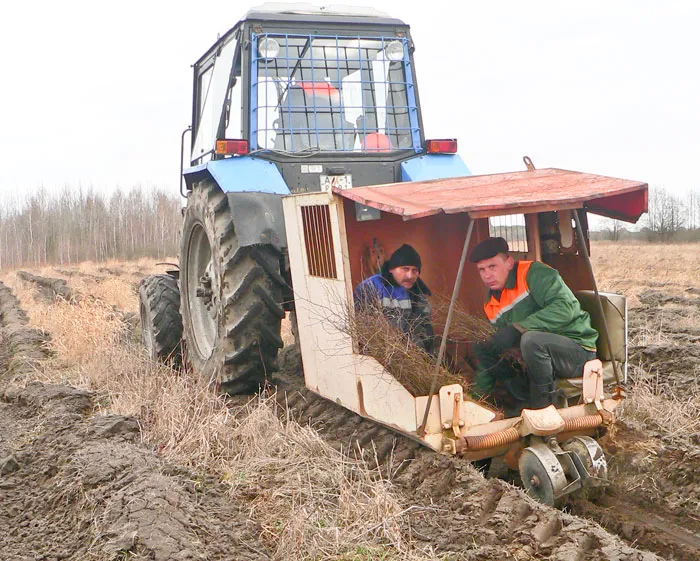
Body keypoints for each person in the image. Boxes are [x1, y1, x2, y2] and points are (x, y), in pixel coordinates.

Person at [470, 237, 598, 414]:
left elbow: (565, 308)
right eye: (481, 270)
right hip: (537, 359)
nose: (487, 275)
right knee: (484, 346)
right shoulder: (491, 304)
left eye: (492, 267)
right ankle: (523, 402)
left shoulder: (534, 274)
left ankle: (544, 409)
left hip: (577, 350)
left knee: (531, 340)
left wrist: (519, 328)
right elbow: (490, 359)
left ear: (508, 262)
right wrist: (474, 400)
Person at [354, 244, 435, 354]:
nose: (410, 275)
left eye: (414, 271)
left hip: (408, 358)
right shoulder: (371, 287)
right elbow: (363, 328)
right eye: (405, 269)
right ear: (391, 269)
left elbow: (425, 334)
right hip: (376, 356)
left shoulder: (419, 297)